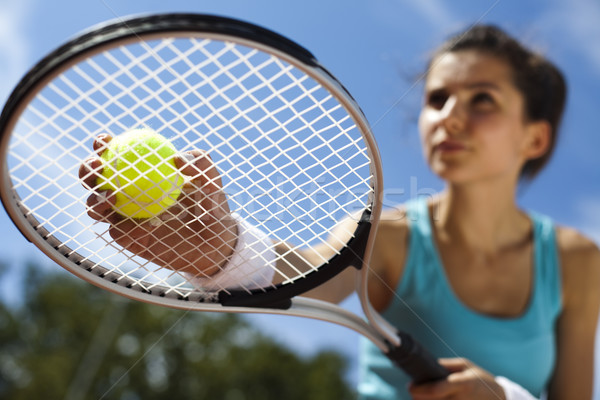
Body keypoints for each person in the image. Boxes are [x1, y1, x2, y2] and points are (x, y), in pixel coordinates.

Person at [80, 25, 600, 399]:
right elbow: (308, 276)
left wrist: (506, 397)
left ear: (535, 136)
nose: (449, 117)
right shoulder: (389, 236)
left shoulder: (578, 260)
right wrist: (221, 248)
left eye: (481, 99)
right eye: (437, 98)